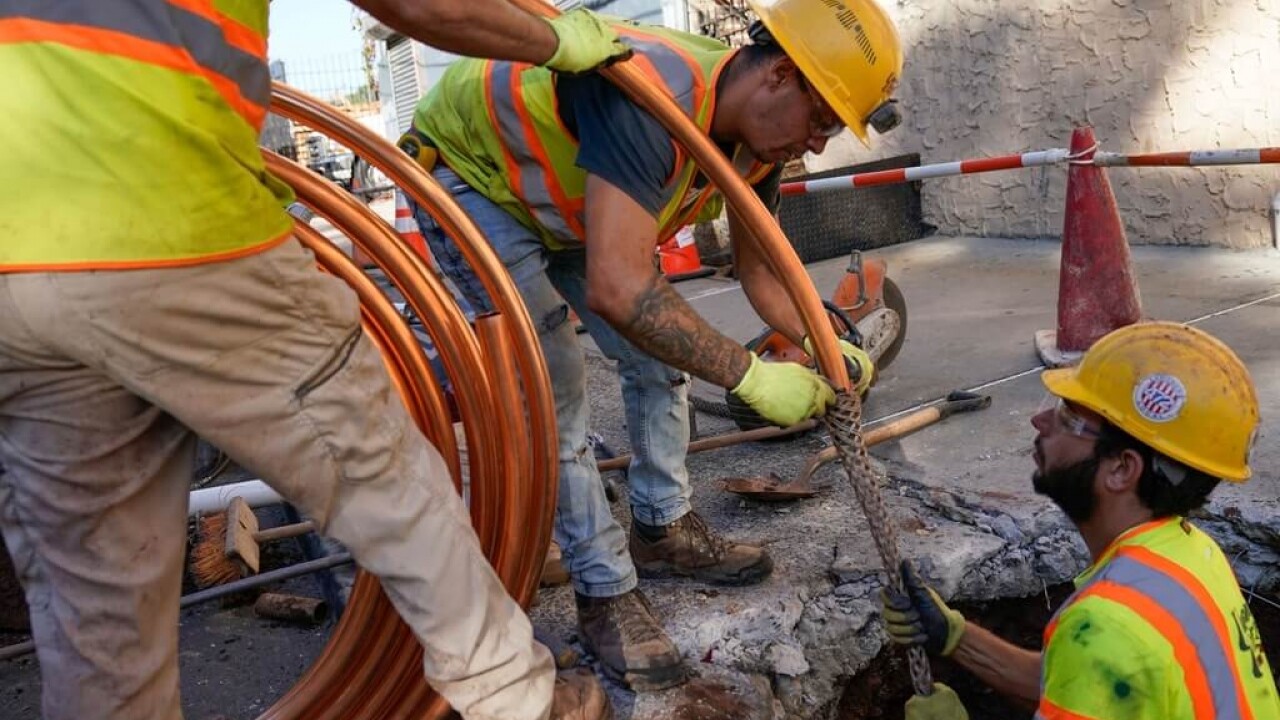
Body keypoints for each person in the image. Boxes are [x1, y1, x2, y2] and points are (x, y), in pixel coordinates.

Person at [0, 1, 633, 719]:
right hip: (169, 222)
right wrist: (555, 39)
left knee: (97, 607)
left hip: (10, 272)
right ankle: (517, 699)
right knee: (381, 475)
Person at [404, 0, 904, 690]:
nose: (818, 143)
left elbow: (762, 268)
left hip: (567, 199)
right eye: (821, 120)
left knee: (658, 356)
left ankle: (662, 529)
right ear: (780, 76)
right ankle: (604, 591)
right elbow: (618, 288)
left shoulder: (757, 143)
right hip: (475, 176)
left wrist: (825, 346)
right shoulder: (652, 104)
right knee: (554, 383)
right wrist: (750, 377)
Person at [880, 322, 1280, 720]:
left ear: (1122, 469)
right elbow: (1082, 684)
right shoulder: (1192, 553)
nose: (1041, 423)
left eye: (1068, 418)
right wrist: (957, 637)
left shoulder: (1107, 625)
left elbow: (1096, 662)